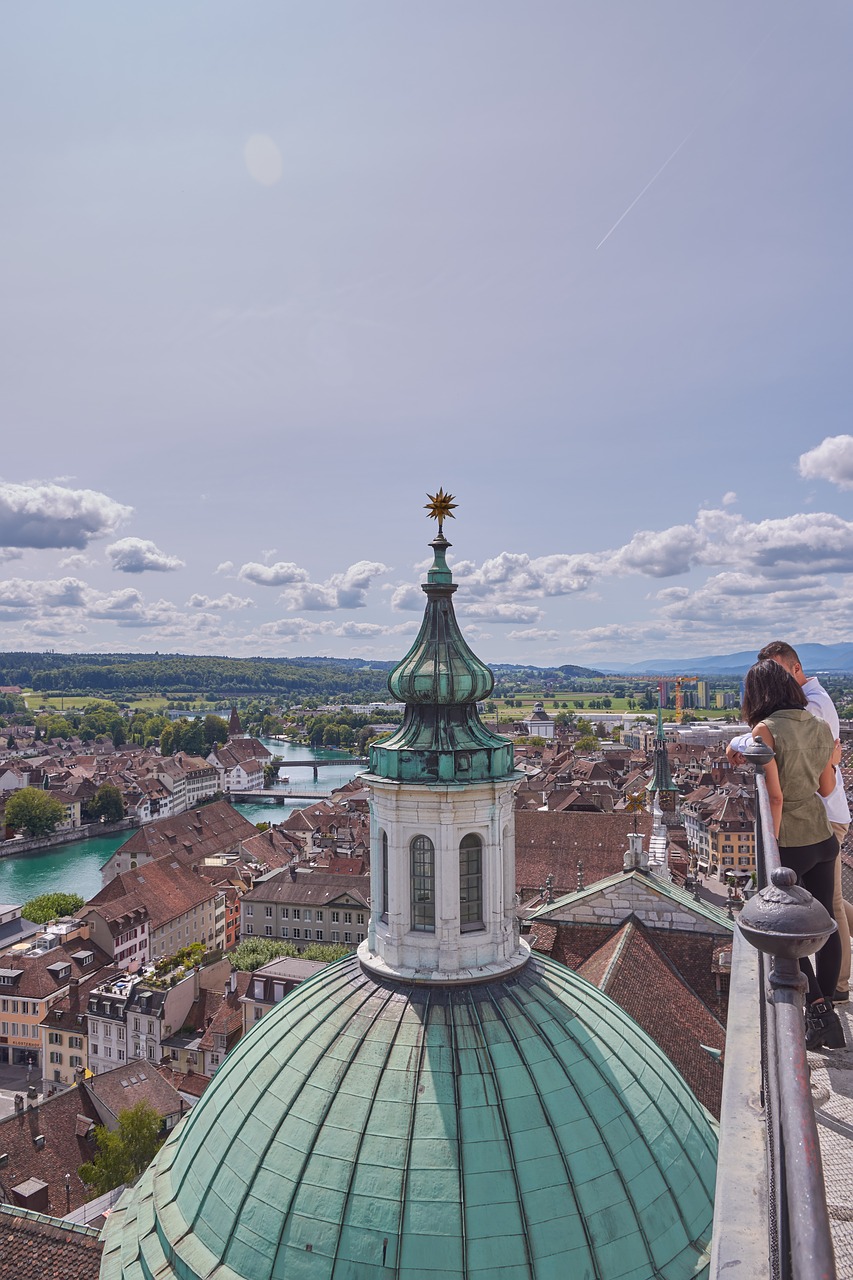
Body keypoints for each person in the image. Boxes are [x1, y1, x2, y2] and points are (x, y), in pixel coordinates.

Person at [728, 641, 851, 1003]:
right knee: (825, 922)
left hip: (792, 839)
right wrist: (830, 761)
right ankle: (828, 1002)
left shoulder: (766, 729)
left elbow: (776, 797)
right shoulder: (817, 723)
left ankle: (815, 1007)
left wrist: (772, 843)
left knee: (786, 929)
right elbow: (827, 786)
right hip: (822, 835)